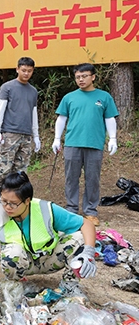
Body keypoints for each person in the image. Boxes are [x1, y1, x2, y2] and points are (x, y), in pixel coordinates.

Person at [0, 171, 97, 289]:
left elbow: (86, 224)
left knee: (79, 239)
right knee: (11, 253)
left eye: (13, 204)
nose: (7, 207)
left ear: (27, 200)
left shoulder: (46, 209)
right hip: (23, 264)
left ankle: (69, 286)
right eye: (4, 201)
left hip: (50, 259)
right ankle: (17, 286)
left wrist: (88, 252)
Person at [51, 63, 118, 227]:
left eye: (84, 76)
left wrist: (113, 138)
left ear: (93, 77)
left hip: (94, 143)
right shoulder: (69, 97)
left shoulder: (104, 97)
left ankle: (90, 211)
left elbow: (109, 118)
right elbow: (61, 119)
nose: (81, 79)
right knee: (71, 178)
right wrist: (57, 138)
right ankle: (71, 210)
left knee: (92, 179)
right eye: (78, 77)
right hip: (73, 143)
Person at [0, 57, 40, 189]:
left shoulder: (33, 91)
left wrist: (36, 135)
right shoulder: (7, 87)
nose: (26, 73)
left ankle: (15, 197)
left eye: (29, 71)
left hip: (26, 134)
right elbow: (0, 109)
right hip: (10, 133)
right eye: (23, 70)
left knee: (21, 171)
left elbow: (33, 113)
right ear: (17, 69)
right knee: (4, 168)